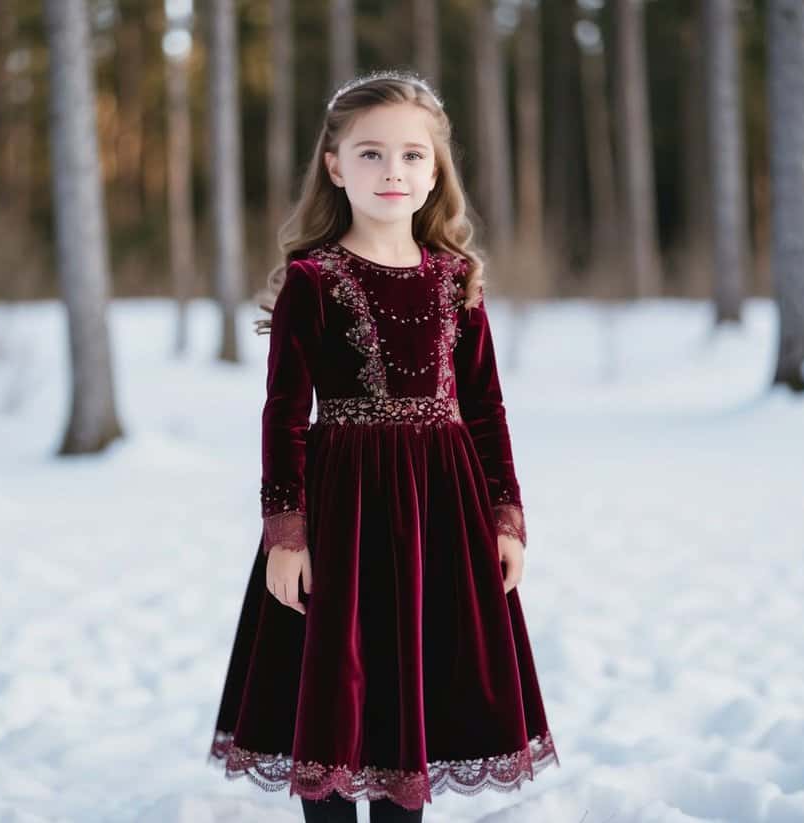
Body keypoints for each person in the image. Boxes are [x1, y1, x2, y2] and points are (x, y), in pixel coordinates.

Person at [207, 69, 558, 823]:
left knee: (414, 704)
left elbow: (487, 407)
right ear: (334, 165)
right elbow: (284, 415)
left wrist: (506, 516)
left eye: (411, 156)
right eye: (370, 154)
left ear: (435, 172)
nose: (392, 172)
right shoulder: (314, 280)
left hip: (440, 514)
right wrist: (286, 533)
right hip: (344, 512)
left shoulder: (456, 279)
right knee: (335, 695)